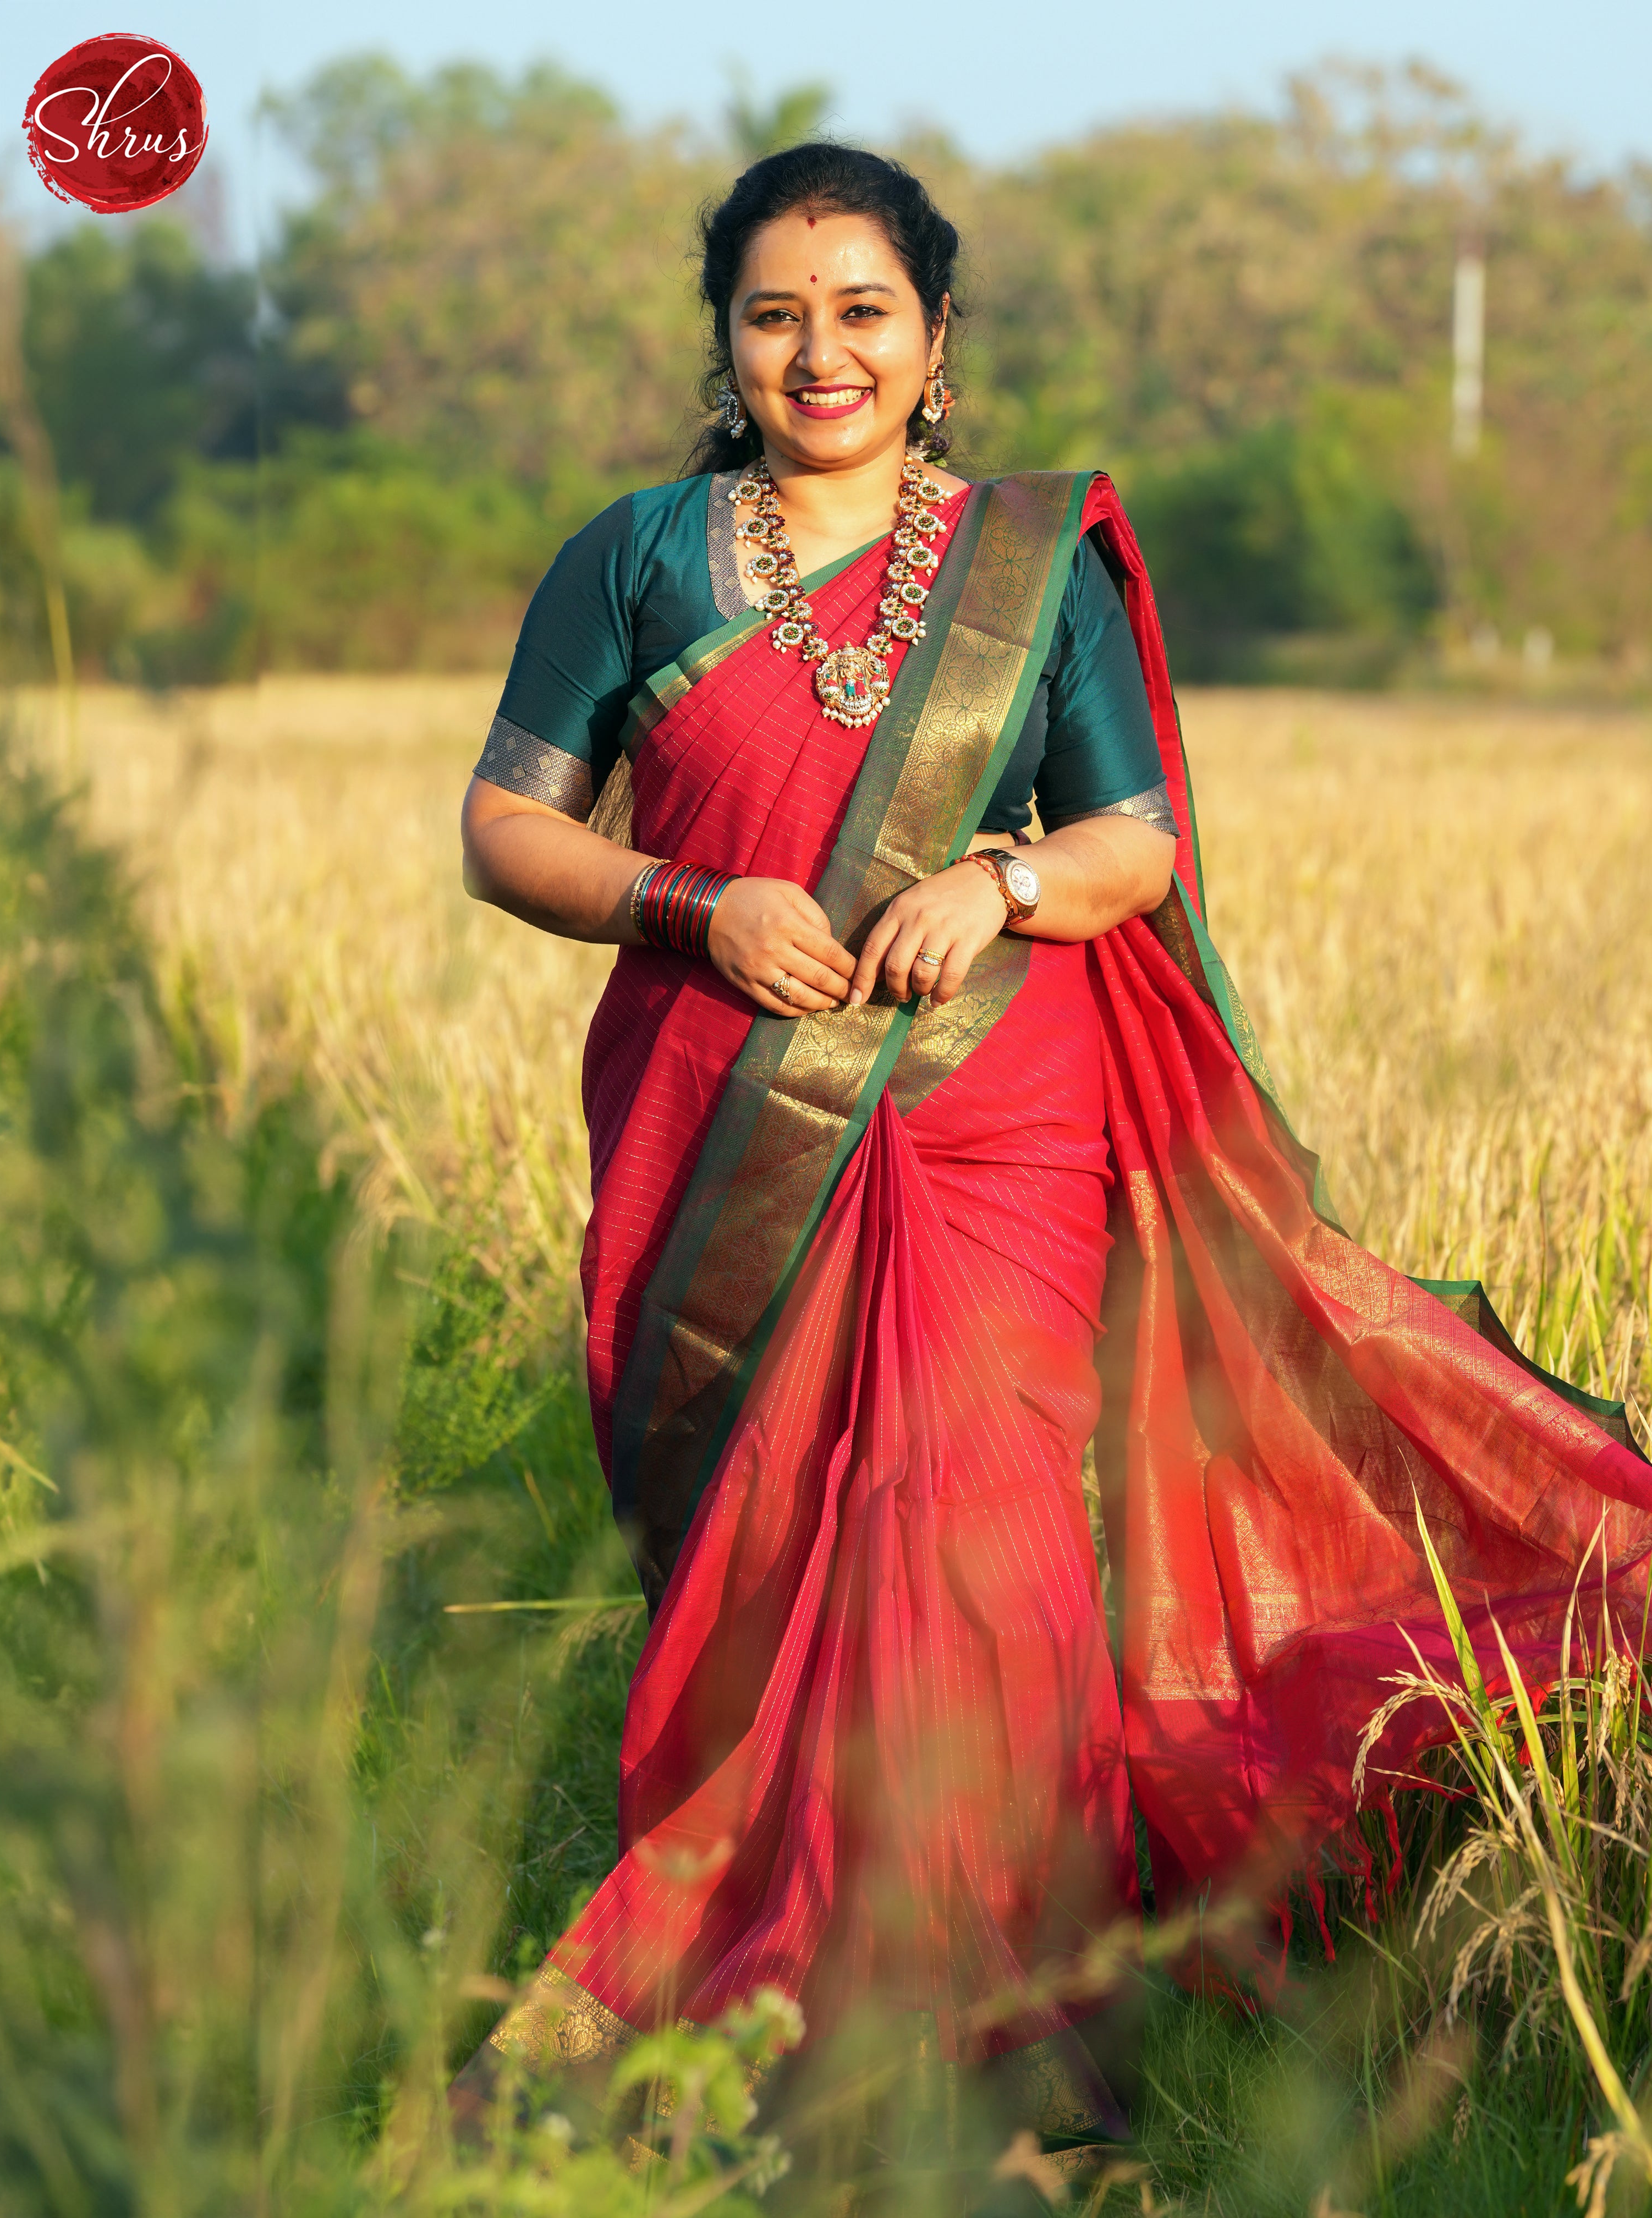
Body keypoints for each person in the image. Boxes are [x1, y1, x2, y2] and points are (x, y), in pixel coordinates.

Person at [454, 143, 1651, 2183]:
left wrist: (1004, 880)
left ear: (935, 343)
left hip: (993, 1107)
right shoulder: (638, 558)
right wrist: (691, 902)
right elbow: (507, 824)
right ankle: (764, 1980)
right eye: (772, 313)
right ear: (722, 340)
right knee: (775, 1548)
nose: (818, 352)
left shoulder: (1038, 562)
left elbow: (1137, 841)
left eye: (862, 313)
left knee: (981, 1542)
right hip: (727, 1109)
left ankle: (1021, 2058)